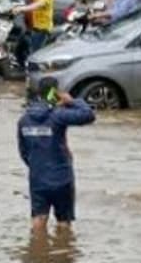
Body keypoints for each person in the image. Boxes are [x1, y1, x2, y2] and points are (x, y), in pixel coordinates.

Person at [18, 76, 96, 232]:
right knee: (64, 221)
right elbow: (88, 115)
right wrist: (72, 101)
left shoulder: (24, 120)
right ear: (55, 93)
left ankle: (37, 246)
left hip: (38, 178)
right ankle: (63, 247)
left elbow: (23, 151)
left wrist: (36, 165)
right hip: (62, 177)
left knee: (39, 217)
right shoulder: (58, 116)